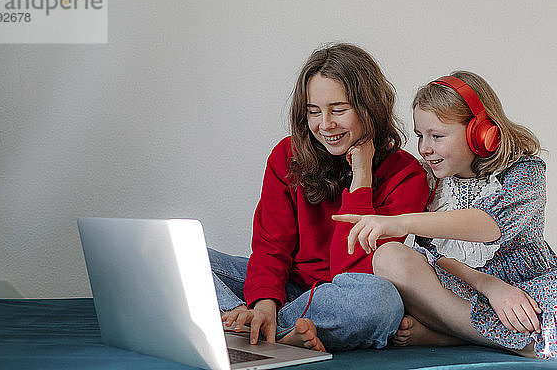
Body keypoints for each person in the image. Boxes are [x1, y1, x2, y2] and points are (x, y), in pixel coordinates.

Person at [208, 43, 429, 352]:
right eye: (314, 112)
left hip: (342, 298)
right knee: (191, 261)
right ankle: (262, 324)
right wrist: (264, 304)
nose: (325, 125)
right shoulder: (286, 156)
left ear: (370, 107)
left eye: (338, 110)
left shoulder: (408, 175)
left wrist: (361, 179)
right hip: (288, 288)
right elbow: (271, 248)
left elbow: (351, 271)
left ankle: (250, 329)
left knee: (381, 302)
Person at [334, 71, 557, 359]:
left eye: (437, 136)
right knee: (388, 257)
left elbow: (487, 225)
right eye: (419, 136)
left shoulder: (525, 172)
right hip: (460, 292)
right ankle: (504, 339)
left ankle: (450, 336)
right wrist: (487, 285)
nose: (425, 148)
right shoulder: (428, 180)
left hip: (525, 287)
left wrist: (399, 222)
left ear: (480, 133)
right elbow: (437, 256)